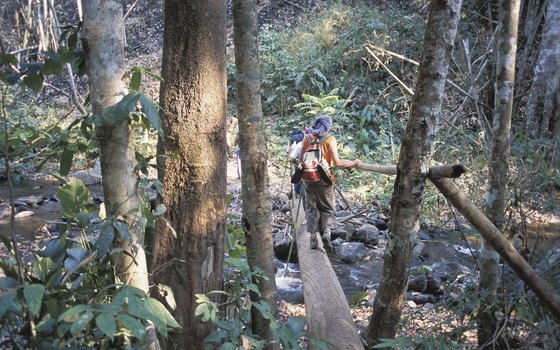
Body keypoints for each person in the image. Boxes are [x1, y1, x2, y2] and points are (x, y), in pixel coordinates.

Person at [297, 115, 361, 249]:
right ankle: (327, 232)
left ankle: (313, 238)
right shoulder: (330, 139)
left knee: (311, 208)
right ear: (327, 126)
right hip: (325, 180)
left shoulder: (307, 138)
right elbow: (337, 163)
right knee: (327, 207)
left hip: (308, 180)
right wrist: (354, 163)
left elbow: (300, 159)